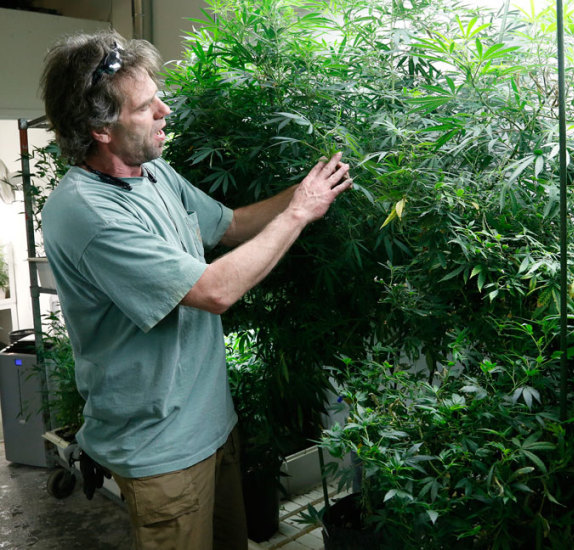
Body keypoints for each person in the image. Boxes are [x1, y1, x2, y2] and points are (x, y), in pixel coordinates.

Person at [39, 30, 351, 550]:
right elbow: (213, 290)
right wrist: (300, 212)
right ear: (100, 128)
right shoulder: (88, 213)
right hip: (161, 449)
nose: (165, 110)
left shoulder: (154, 173)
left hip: (211, 425)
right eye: (146, 105)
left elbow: (228, 225)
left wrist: (309, 189)